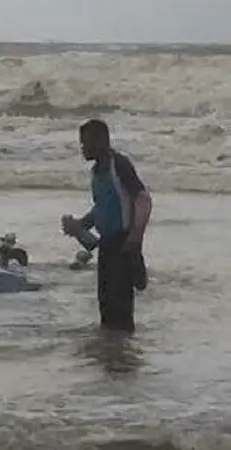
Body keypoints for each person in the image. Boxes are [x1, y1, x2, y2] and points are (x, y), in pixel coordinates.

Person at [62, 119, 152, 333]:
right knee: (106, 306)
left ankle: (122, 354)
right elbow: (102, 207)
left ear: (101, 141)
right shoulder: (96, 172)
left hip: (123, 243)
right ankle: (114, 353)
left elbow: (142, 199)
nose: (82, 148)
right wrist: (80, 224)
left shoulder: (118, 165)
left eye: (85, 143)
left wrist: (135, 237)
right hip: (107, 245)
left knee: (120, 307)